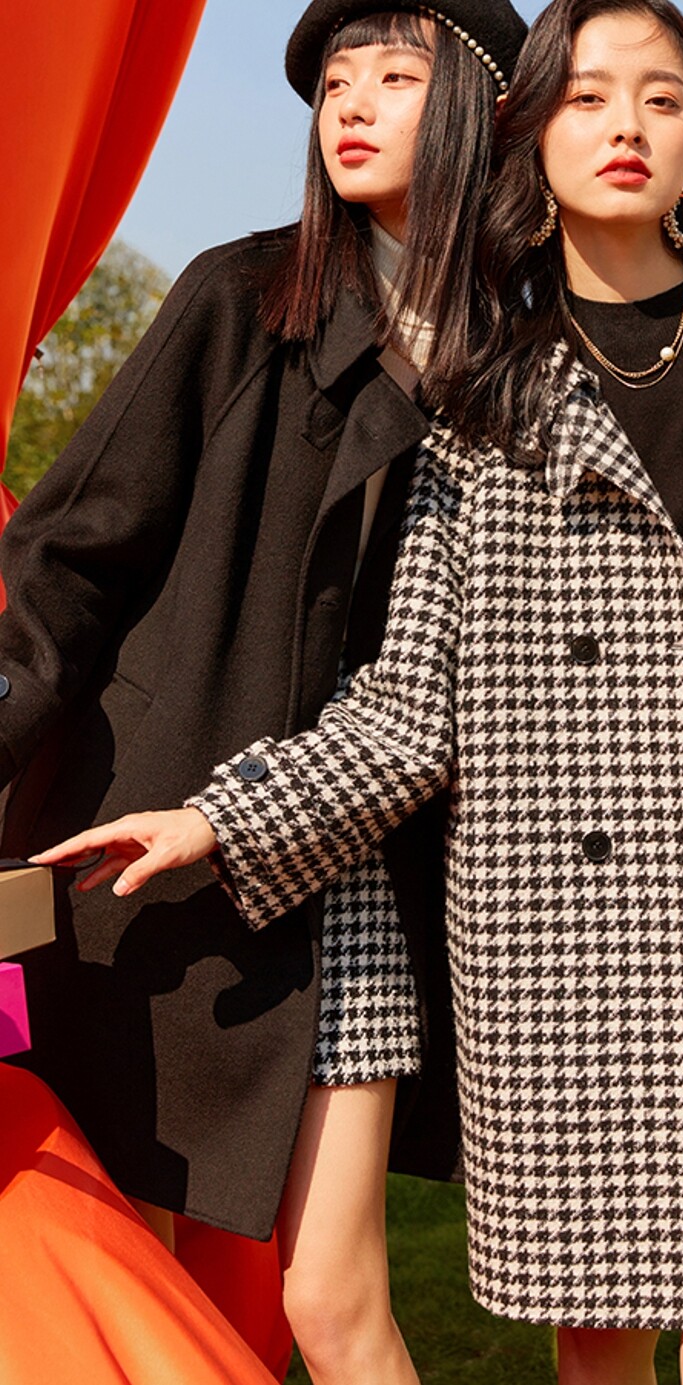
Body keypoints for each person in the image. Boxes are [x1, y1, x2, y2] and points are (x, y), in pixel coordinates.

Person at [37, 1, 683, 1382]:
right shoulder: (486, 393)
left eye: (662, 99)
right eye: (587, 97)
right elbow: (413, 702)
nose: (625, 125)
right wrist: (218, 817)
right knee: (596, 1348)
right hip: (575, 897)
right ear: (529, 133)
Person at [1, 2, 526, 1382]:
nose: (350, 103)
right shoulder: (242, 297)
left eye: (397, 76)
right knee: (133, 1249)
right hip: (151, 849)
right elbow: (71, 553)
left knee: (330, 1300)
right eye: (335, 80)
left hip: (358, 861)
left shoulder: (514, 353)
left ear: (478, 109)